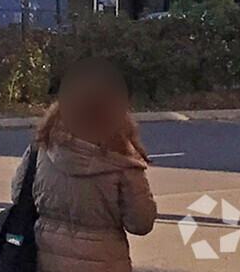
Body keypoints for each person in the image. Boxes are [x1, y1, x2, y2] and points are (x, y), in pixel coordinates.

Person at [10, 58, 156, 272]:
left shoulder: (45, 146)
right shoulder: (122, 161)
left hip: (46, 260)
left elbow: (18, 193)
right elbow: (141, 223)